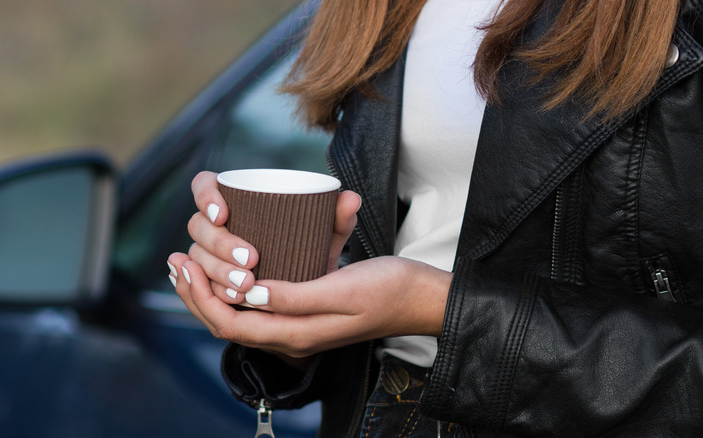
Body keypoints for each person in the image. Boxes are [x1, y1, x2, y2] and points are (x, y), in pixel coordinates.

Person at [167, 0, 703, 436]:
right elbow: (419, 236)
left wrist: (438, 308)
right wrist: (293, 308)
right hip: (385, 412)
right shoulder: (381, 10)